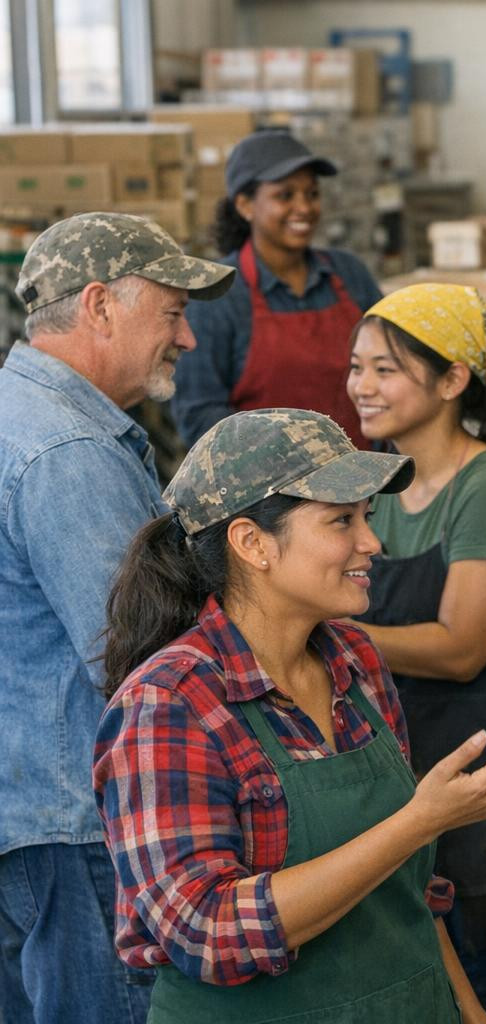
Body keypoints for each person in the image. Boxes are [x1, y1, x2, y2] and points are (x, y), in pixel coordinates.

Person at [93, 408, 486, 1023]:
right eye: (341, 521)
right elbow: (208, 933)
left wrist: (471, 1013)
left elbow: (411, 896)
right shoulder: (167, 703)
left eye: (367, 518)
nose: (372, 543)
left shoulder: (356, 659)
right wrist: (418, 823)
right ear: (252, 543)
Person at [0, 212, 234, 1024]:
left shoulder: (18, 415)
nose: (189, 340)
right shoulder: (67, 452)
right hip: (80, 827)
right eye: (172, 313)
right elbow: (139, 656)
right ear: (99, 306)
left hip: (32, 811)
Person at [345, 283, 486, 1022]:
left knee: (482, 960)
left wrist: (325, 633)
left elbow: (461, 648)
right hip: (399, 759)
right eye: (357, 367)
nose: (362, 386)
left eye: (386, 369)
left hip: (476, 763)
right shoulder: (377, 482)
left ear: (452, 381)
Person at [173, 130, 383, 446]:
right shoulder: (218, 295)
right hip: (268, 491)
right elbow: (199, 416)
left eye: (312, 194)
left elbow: (391, 371)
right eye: (285, 196)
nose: (304, 208)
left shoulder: (349, 274)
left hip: (366, 480)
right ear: (245, 205)